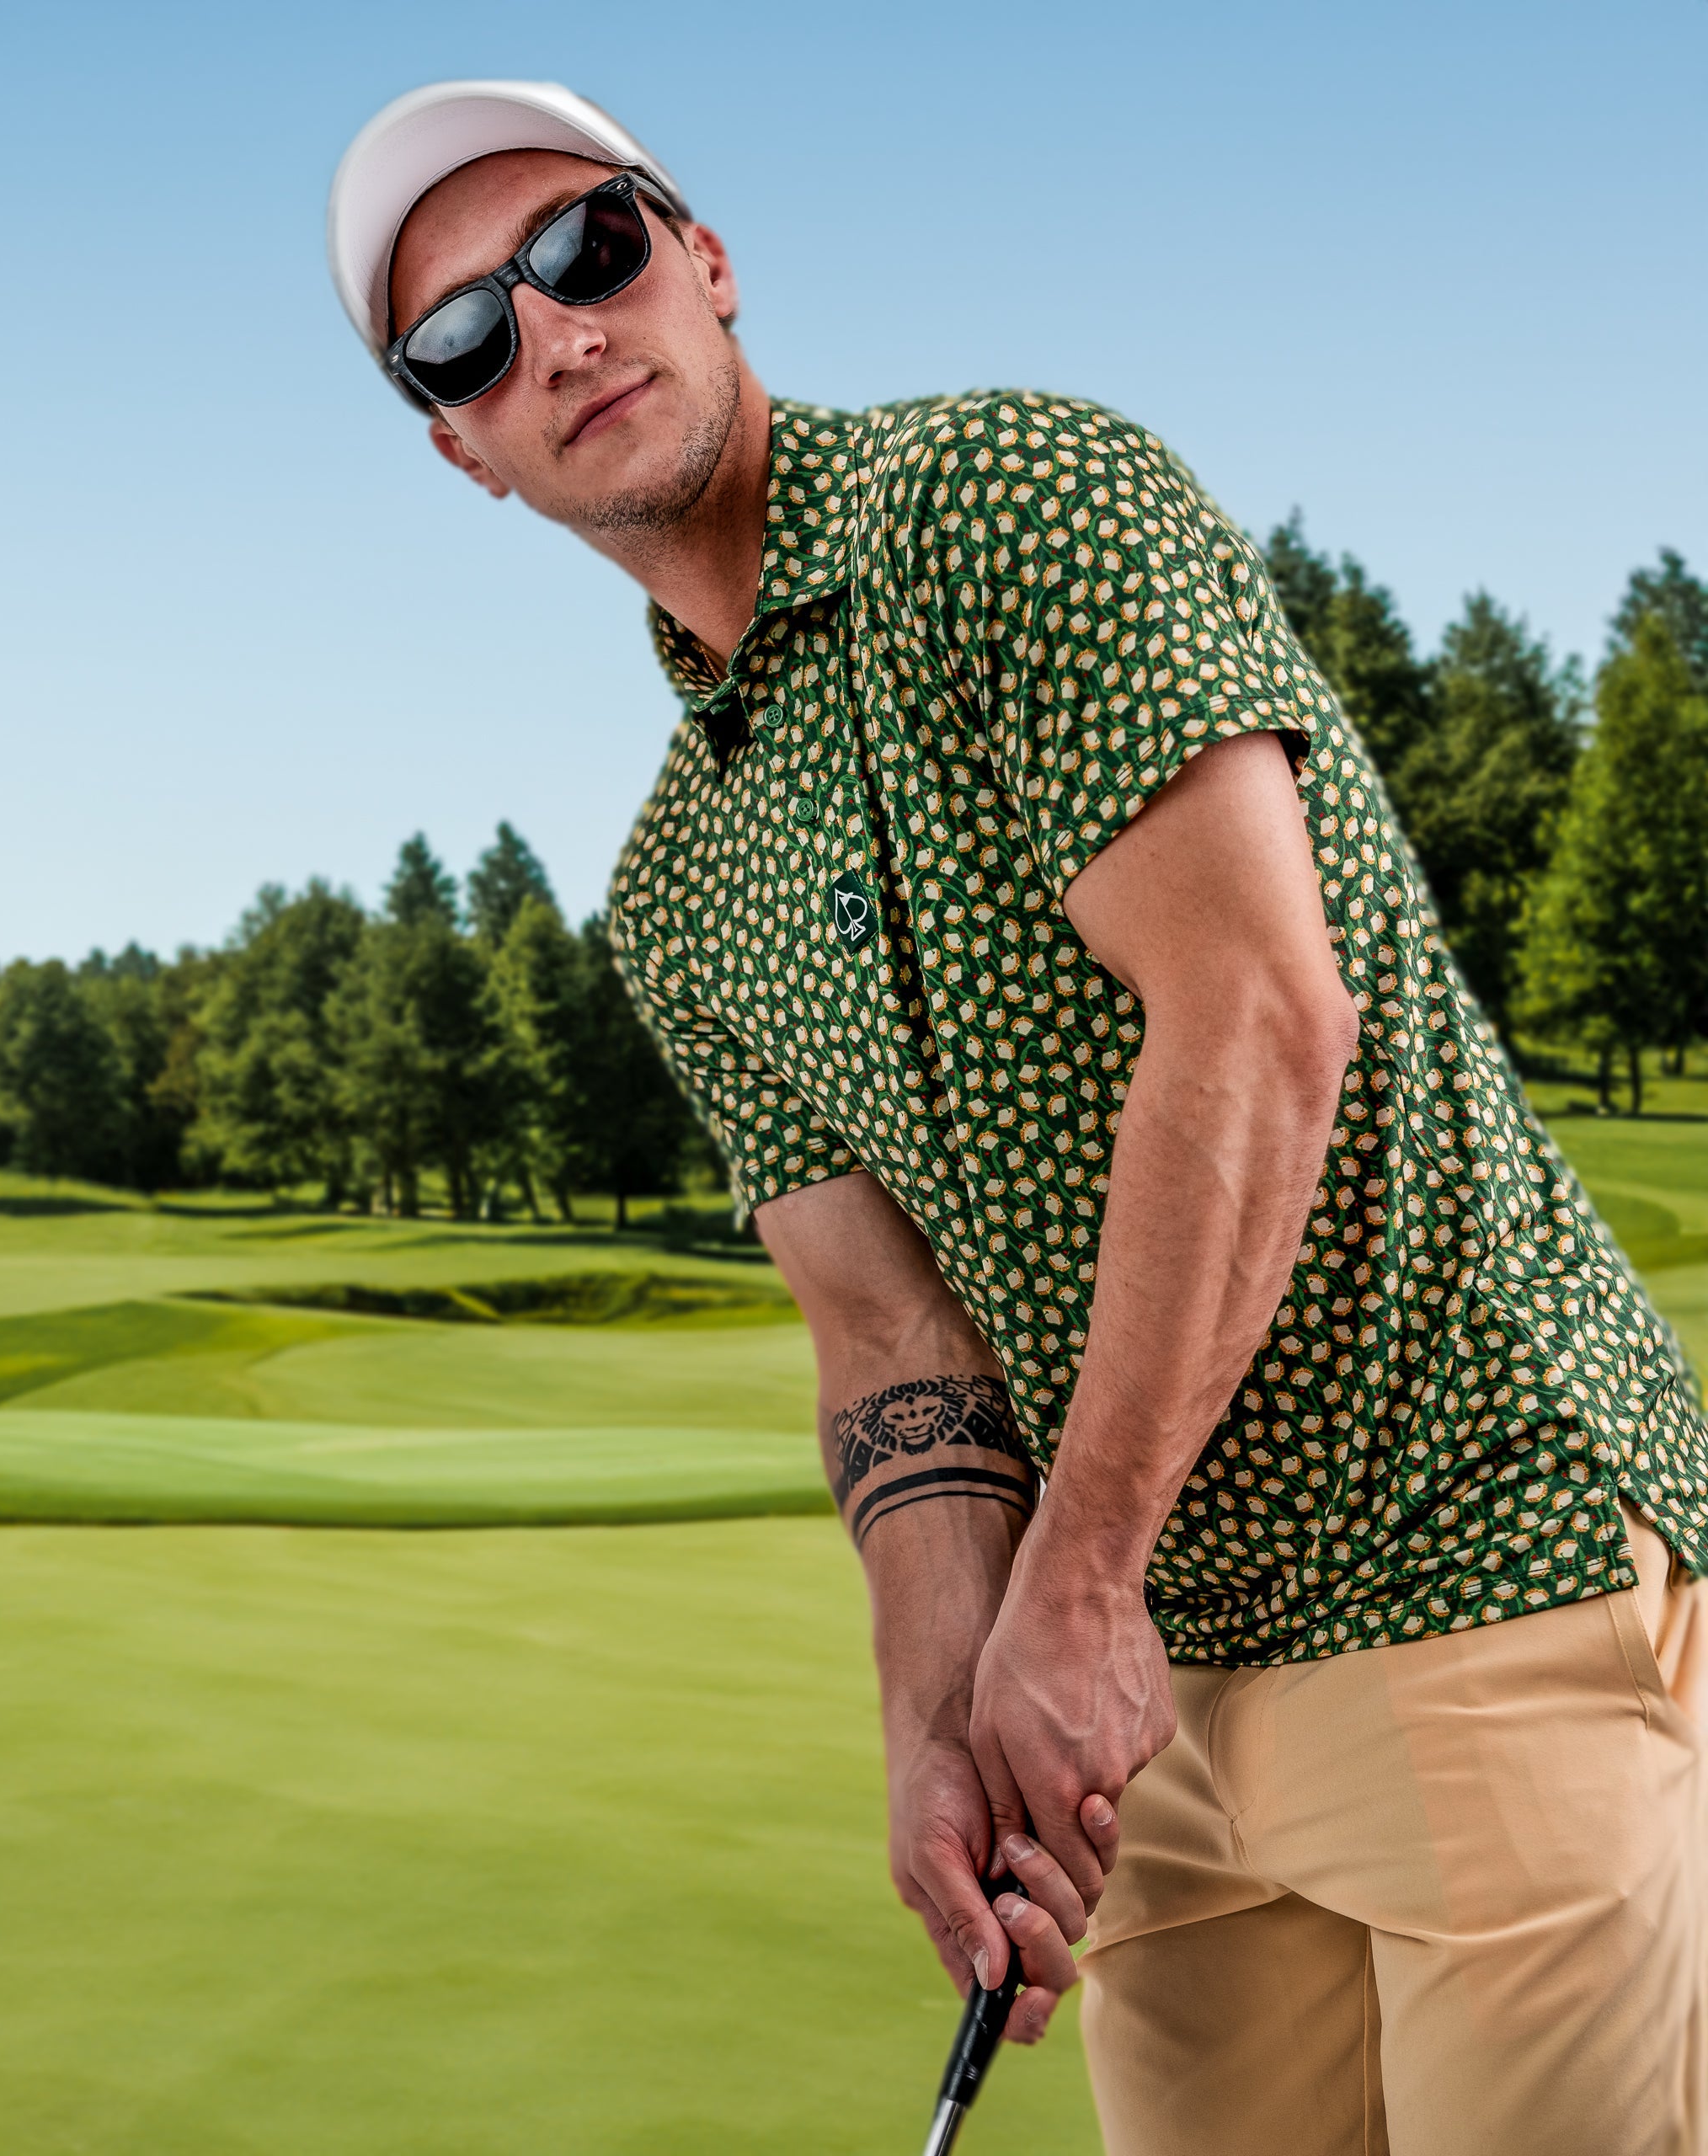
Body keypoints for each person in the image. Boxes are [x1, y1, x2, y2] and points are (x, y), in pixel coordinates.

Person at [329, 80, 1708, 2154]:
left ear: (701, 262)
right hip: (1137, 1716)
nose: (556, 332)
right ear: (460, 445)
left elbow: (1251, 1017)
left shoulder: (1007, 499)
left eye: (586, 248)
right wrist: (940, 1717)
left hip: (1457, 1565)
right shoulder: (678, 882)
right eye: (467, 338)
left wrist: (1069, 1592)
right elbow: (890, 1338)